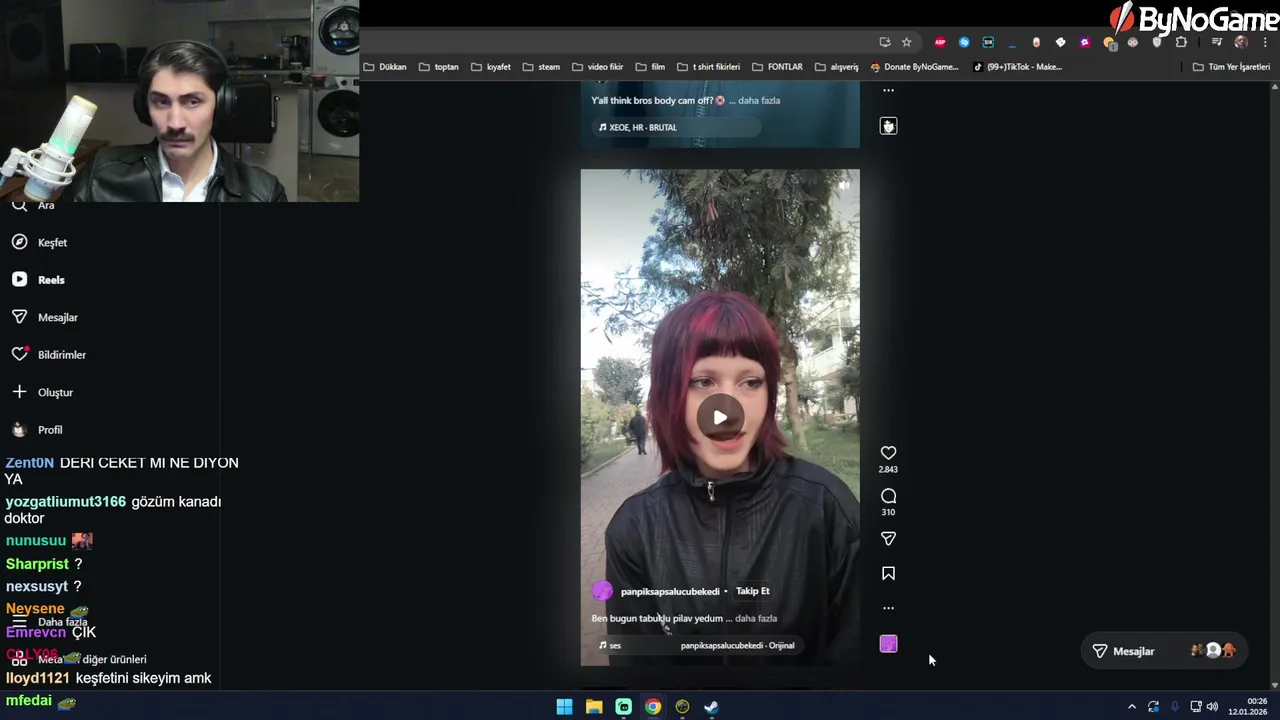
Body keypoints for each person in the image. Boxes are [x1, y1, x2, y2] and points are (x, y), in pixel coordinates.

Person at [603, 291, 861, 666]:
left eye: (751, 382)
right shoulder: (634, 529)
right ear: (667, 394)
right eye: (703, 381)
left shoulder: (826, 510)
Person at [64, 41, 286, 202]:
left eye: (192, 102)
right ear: (144, 107)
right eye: (162, 102)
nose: (175, 123)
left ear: (220, 106)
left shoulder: (263, 194)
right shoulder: (100, 175)